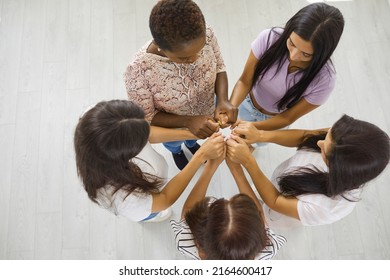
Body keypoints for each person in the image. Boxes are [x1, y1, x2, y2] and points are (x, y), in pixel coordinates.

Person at [124, 0, 237, 170]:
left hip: (206, 110)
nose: (195, 59)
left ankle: (191, 145)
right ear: (160, 46)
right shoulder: (138, 71)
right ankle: (176, 151)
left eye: (200, 50)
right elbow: (147, 117)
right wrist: (189, 121)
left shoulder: (207, 34)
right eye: (184, 58)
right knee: (174, 143)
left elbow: (220, 67)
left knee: (194, 138)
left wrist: (222, 99)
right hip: (172, 126)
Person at [226, 115, 390, 228]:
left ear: (339, 169)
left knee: (261, 216)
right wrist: (260, 135)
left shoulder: (328, 207)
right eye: (327, 136)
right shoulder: (342, 137)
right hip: (281, 184)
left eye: (325, 150)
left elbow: (274, 202)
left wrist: (244, 164)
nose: (319, 143)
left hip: (276, 210)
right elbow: (305, 137)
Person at [74, 100, 225, 222]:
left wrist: (191, 134)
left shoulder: (97, 118)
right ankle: (155, 217)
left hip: (153, 180)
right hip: (148, 205)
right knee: (157, 213)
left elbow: (147, 132)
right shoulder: (123, 198)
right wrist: (200, 157)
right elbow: (164, 199)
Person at [229, 3, 344, 132]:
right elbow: (244, 81)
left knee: (254, 142)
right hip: (246, 101)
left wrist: (252, 129)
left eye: (305, 54)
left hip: (274, 121)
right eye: (291, 43)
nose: (293, 55)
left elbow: (287, 118)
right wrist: (231, 108)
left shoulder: (325, 80)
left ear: (322, 54)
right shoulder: (270, 38)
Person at [170, 147, 286, 259]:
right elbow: (259, 213)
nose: (225, 199)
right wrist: (236, 170)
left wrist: (211, 166)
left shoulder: (185, 242)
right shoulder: (268, 248)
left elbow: (188, 210)